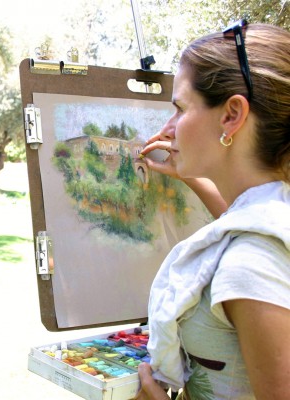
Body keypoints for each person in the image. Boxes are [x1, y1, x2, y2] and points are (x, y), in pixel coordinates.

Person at [134, 21, 290, 399]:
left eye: (180, 109)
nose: (168, 128)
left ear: (231, 115)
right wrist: (194, 176)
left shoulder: (250, 265)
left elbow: (251, 259)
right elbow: (243, 226)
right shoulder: (274, 213)